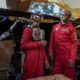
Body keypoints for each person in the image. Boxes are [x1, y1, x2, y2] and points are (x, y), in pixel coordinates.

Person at [49, 10, 78, 80]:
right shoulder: (55, 27)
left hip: (67, 56)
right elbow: (51, 40)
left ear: (68, 17)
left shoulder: (71, 28)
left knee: (68, 76)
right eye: (62, 14)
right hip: (57, 55)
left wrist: (72, 59)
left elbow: (74, 44)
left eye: (65, 15)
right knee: (56, 75)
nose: (62, 16)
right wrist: (50, 51)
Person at [20, 14, 49, 80]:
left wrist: (45, 59)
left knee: (39, 77)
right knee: (29, 76)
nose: (36, 22)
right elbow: (23, 46)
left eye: (38, 21)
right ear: (31, 20)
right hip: (31, 58)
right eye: (34, 20)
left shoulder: (40, 31)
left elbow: (42, 47)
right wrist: (38, 43)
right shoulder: (27, 30)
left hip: (40, 58)